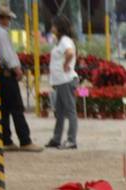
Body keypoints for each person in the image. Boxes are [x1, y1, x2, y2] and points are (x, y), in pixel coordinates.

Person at [0, 4, 42, 152]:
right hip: (7, 74)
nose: (8, 21)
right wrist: (17, 69)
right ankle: (25, 140)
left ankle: (6, 139)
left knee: (3, 109)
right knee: (16, 108)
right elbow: (8, 55)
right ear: (0, 18)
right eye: (7, 18)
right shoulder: (1, 33)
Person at [46, 16, 78, 149]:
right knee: (59, 111)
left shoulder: (65, 40)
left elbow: (70, 53)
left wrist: (66, 64)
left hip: (66, 80)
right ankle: (56, 138)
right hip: (60, 81)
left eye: (54, 25)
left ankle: (71, 140)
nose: (52, 27)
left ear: (59, 27)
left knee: (70, 111)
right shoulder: (59, 41)